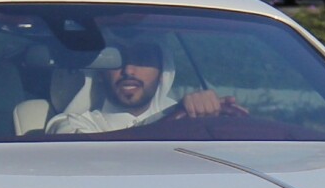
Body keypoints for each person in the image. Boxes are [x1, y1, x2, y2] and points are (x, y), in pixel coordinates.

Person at [45, 40, 238, 135]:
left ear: (163, 73)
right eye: (117, 60)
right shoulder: (71, 125)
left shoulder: (190, 121)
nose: (128, 70)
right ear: (101, 74)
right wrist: (174, 116)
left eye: (142, 59)